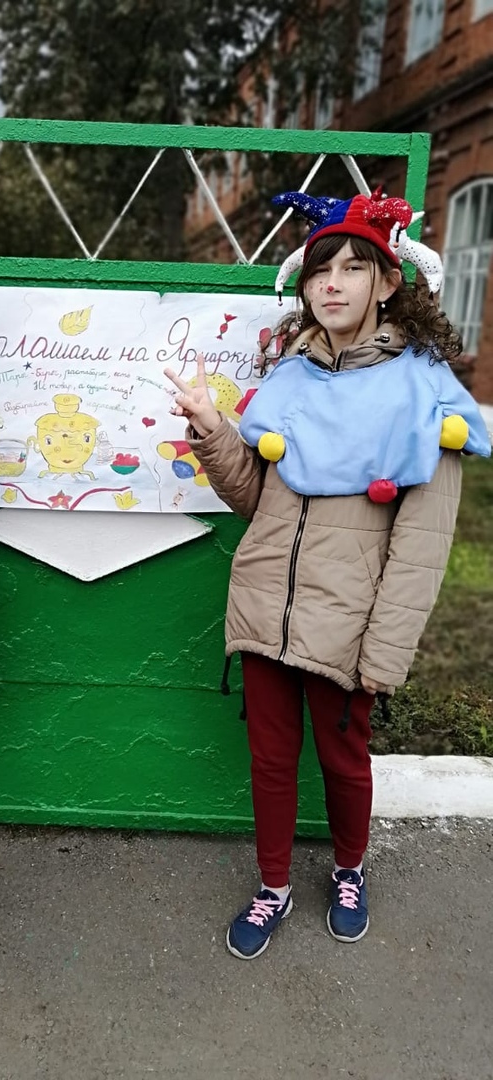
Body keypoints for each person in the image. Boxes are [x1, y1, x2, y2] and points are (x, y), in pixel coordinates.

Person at [165, 189, 491, 961]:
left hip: (349, 621)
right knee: (271, 761)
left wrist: (385, 651)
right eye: (320, 270)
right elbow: (256, 499)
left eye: (353, 267)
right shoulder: (290, 379)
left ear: (388, 281)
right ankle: (274, 884)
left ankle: (349, 871)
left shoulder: (425, 393)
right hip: (264, 607)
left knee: (344, 762)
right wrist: (212, 431)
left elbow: (423, 544)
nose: (332, 283)